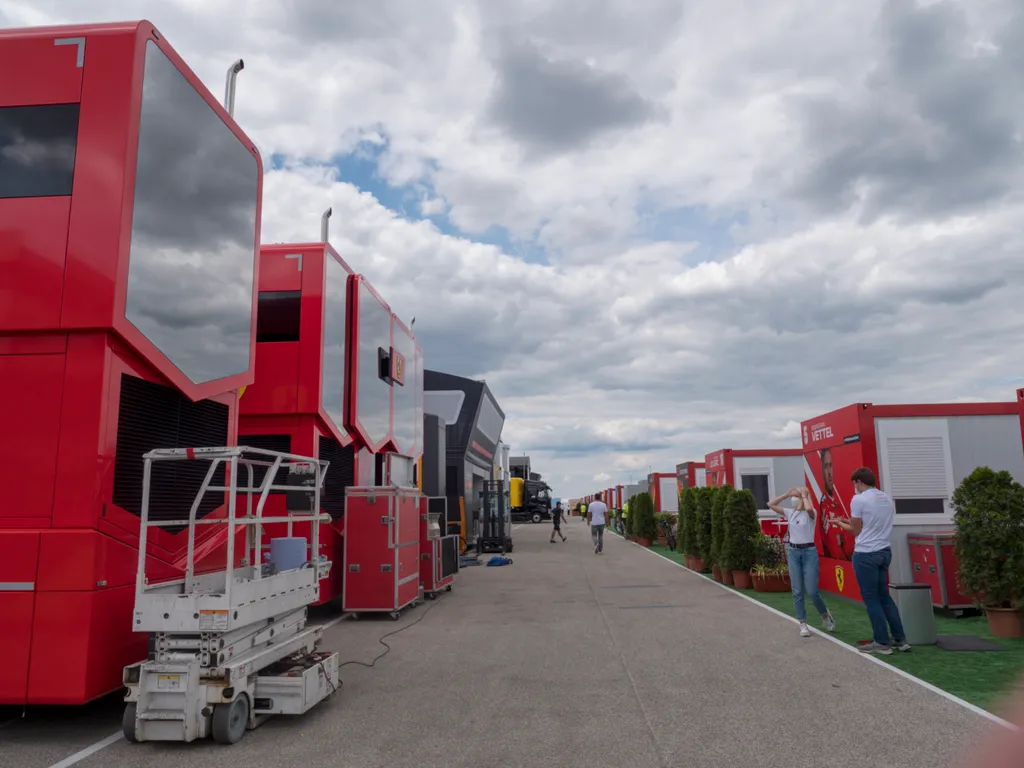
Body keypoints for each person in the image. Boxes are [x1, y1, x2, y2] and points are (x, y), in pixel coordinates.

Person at [830, 467, 910, 655]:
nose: (854, 487)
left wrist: (839, 523)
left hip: (866, 554)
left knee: (871, 598)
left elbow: (856, 531)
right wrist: (847, 521)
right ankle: (900, 639)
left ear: (859, 482)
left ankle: (881, 642)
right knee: (884, 596)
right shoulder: (885, 498)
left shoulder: (858, 499)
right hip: (884, 551)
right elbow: (866, 524)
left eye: (854, 484)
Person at [768, 487, 836, 638]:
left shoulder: (811, 514)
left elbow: (810, 509)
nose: (796, 497)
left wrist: (805, 495)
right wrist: (786, 494)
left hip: (809, 552)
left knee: (812, 590)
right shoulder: (790, 513)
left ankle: (825, 614)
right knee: (797, 590)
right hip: (793, 552)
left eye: (798, 496)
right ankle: (802, 623)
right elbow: (770, 504)